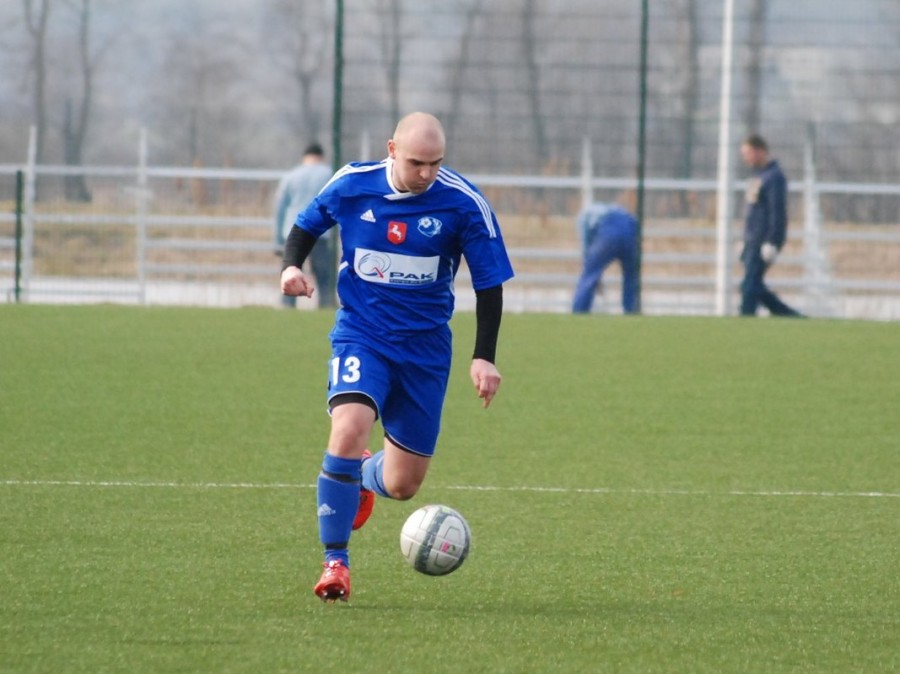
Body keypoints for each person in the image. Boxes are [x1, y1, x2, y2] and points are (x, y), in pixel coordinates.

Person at [280, 112, 515, 603]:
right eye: (416, 163)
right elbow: (306, 225)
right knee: (348, 428)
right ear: (391, 150)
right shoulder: (353, 183)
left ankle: (364, 476)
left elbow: (489, 282)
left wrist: (484, 357)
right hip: (361, 334)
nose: (426, 173)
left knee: (403, 484)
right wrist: (290, 267)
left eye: (435, 163)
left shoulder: (463, 202)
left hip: (425, 351)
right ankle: (335, 563)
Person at [738, 134, 803, 317]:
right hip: (752, 240)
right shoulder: (758, 176)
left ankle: (745, 320)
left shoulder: (774, 177)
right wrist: (745, 239)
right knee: (752, 285)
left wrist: (772, 241)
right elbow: (753, 213)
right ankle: (790, 316)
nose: (745, 158)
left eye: (748, 153)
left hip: (762, 241)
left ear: (760, 151)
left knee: (750, 286)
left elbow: (777, 212)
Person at [274, 143, 336, 308]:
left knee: (290, 275)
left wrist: (278, 240)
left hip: (292, 232)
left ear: (304, 157)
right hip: (321, 233)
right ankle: (326, 306)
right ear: (321, 157)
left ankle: (287, 306)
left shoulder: (291, 176)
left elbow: (280, 209)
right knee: (324, 276)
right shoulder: (329, 174)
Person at [571, 199, 639, 314]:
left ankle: (579, 312)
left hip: (608, 228)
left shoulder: (583, 216)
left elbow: (586, 245)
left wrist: (593, 271)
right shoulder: (617, 209)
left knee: (589, 275)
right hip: (629, 228)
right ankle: (631, 312)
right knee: (631, 277)